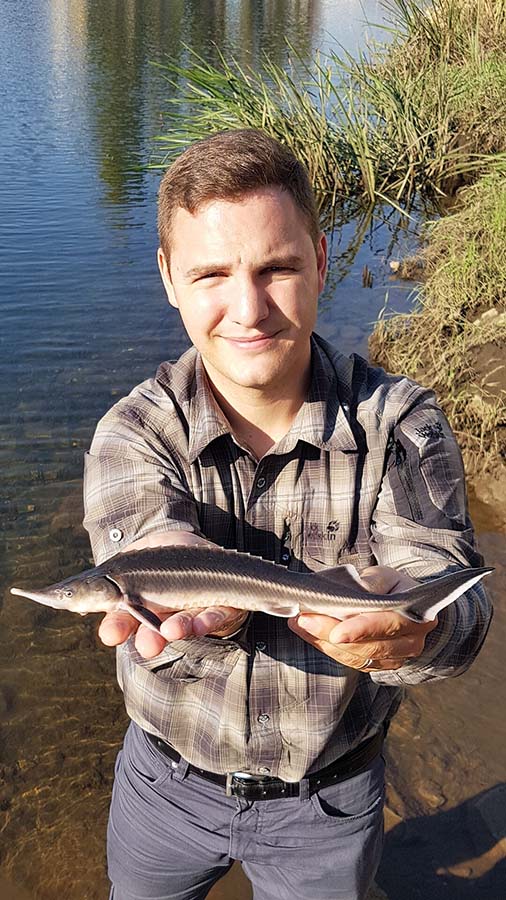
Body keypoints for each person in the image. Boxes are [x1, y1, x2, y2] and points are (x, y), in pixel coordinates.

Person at [83, 129, 492, 900]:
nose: (249, 309)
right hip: (163, 787)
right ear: (169, 277)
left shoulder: (404, 423)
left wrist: (412, 634)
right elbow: (147, 538)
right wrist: (201, 603)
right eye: (210, 274)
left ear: (323, 260)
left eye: (277, 267)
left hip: (330, 804)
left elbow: (458, 604)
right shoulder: (130, 432)